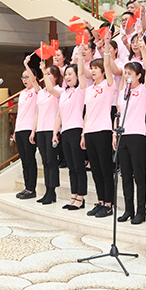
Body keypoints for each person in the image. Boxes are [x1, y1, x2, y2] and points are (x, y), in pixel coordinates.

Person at [115, 37, 146, 225]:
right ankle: (128, 209)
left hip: (137, 136)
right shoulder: (123, 92)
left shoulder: (144, 89)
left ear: (138, 75)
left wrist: (143, 48)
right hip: (123, 135)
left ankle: (141, 211)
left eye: (130, 73)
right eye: (125, 73)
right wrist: (115, 134)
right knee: (125, 175)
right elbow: (119, 113)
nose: (126, 75)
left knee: (139, 175)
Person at [78, 43, 115, 218]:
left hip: (103, 131)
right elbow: (87, 113)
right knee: (96, 170)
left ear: (102, 71)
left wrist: (105, 47)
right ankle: (100, 201)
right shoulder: (89, 89)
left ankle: (109, 204)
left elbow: (108, 65)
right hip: (90, 132)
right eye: (91, 68)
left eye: (95, 68)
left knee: (105, 169)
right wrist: (83, 133)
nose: (92, 71)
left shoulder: (108, 85)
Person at [53, 64, 87, 210]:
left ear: (77, 76)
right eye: (65, 74)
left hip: (76, 129)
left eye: (70, 74)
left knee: (78, 166)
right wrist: (55, 132)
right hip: (65, 131)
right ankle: (73, 195)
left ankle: (81, 197)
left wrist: (79, 58)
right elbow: (59, 115)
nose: (67, 77)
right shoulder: (64, 94)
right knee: (71, 167)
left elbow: (83, 76)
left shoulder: (80, 91)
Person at [30, 62, 63, 204]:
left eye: (50, 74)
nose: (47, 76)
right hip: (41, 130)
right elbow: (37, 113)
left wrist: (43, 71)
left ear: (56, 77)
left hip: (51, 129)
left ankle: (52, 190)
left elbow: (50, 88)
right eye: (46, 74)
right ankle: (47, 190)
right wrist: (33, 131)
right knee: (44, 161)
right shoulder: (42, 93)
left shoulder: (59, 90)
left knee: (51, 161)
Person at [13, 56, 40, 199]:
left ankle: (32, 189)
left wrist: (26, 64)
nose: (25, 80)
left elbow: (35, 82)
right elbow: (19, 114)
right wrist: (15, 131)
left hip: (29, 129)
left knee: (30, 159)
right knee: (24, 161)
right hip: (20, 129)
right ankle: (26, 187)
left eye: (27, 77)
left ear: (33, 77)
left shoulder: (37, 91)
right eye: (23, 77)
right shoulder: (22, 94)